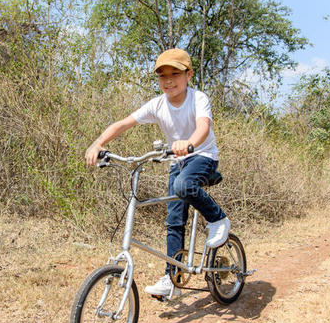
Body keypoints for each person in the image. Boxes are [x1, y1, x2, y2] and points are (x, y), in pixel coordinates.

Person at [84, 48, 230, 297]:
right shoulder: (157, 104)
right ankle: (172, 278)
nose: (169, 80)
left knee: (183, 186)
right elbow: (123, 123)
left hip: (202, 156)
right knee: (173, 221)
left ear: (189, 75)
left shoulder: (198, 99)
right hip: (177, 162)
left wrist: (190, 143)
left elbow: (203, 127)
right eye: (162, 76)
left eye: (175, 73)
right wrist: (98, 143)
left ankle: (218, 219)